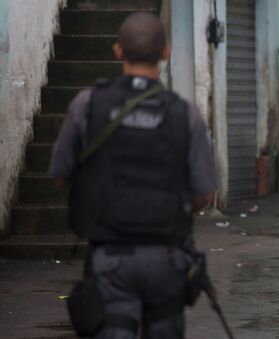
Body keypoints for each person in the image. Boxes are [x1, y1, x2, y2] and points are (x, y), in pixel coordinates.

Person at [50, 13, 218, 338]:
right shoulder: (186, 115)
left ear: (117, 50)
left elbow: (60, 176)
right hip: (167, 260)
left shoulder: (87, 106)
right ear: (166, 53)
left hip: (110, 260)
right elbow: (203, 196)